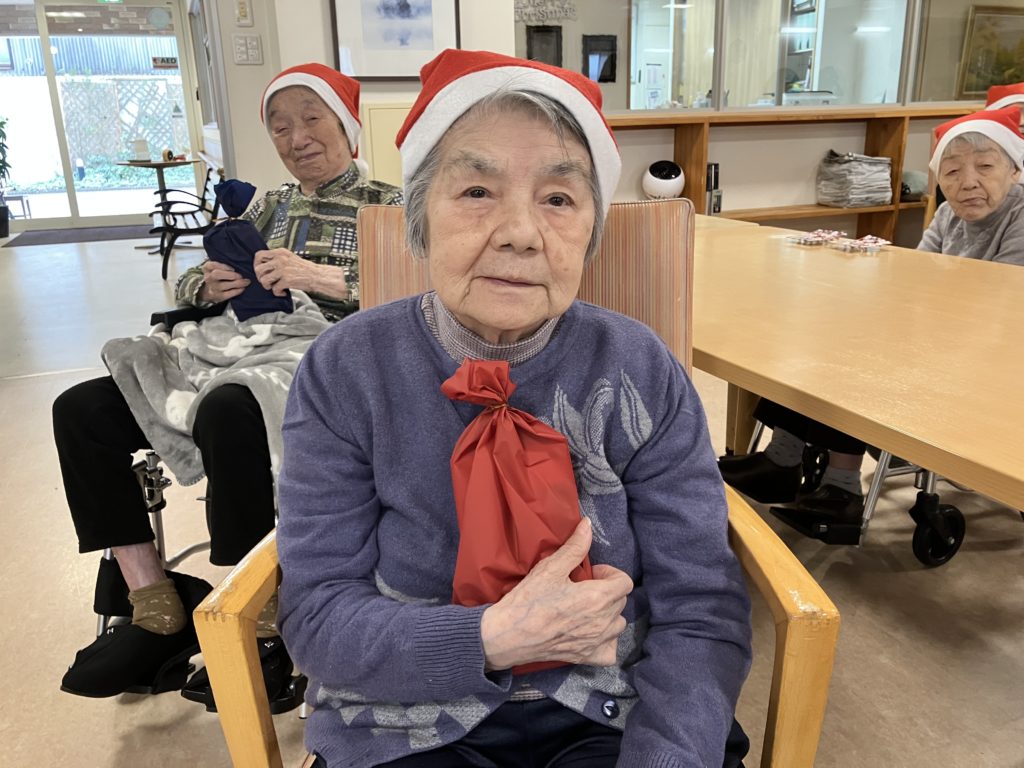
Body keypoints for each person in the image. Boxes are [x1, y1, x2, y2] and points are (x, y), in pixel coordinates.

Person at [277, 49, 752, 768]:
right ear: (420, 218)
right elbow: (316, 616)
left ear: (590, 231)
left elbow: (701, 605)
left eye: (559, 199)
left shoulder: (639, 366)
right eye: (477, 191)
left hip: (616, 714)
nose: (522, 232)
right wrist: (494, 637)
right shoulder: (346, 369)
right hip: (404, 715)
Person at [53, 62, 402, 703]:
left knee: (227, 409)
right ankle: (152, 599)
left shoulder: (389, 206)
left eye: (312, 119)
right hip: (231, 350)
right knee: (81, 409)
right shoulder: (267, 205)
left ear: (347, 126)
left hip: (324, 359)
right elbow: (191, 281)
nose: (297, 137)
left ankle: (255, 612)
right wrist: (209, 285)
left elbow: (421, 294)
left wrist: (320, 278)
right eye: (280, 127)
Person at [720, 106, 1024, 539]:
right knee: (824, 334)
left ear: (1015, 170)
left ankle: (842, 488)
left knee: (860, 359)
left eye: (985, 167)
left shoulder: (1020, 216)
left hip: (996, 359)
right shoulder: (948, 215)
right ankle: (783, 459)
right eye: (953, 171)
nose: (968, 182)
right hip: (946, 334)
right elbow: (915, 278)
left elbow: (1004, 301)